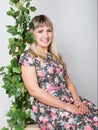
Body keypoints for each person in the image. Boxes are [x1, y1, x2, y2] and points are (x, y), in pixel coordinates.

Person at [19, 14, 98, 130]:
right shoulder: (28, 56)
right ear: (32, 34)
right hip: (49, 107)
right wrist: (65, 106)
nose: (45, 35)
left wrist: (77, 100)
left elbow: (68, 82)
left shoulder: (56, 56)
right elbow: (34, 90)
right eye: (40, 31)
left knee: (94, 116)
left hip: (68, 99)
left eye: (49, 31)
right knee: (84, 125)